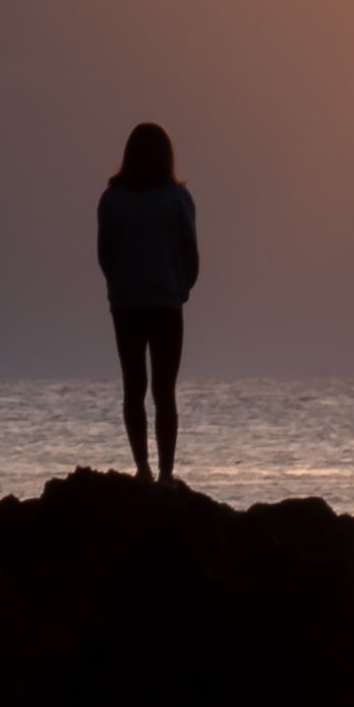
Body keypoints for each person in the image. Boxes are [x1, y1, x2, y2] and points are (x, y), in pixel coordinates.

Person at [96, 121, 199, 481]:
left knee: (134, 388)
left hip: (126, 303)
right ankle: (166, 474)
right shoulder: (177, 198)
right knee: (163, 391)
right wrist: (183, 287)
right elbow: (191, 251)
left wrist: (119, 285)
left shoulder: (112, 199)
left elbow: (104, 253)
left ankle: (142, 468)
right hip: (167, 302)